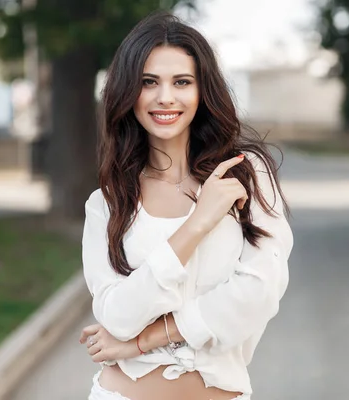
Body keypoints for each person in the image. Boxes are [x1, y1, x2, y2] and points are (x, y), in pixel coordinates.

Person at [79, 11, 294, 400]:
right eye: (149, 83)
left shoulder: (244, 175)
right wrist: (196, 225)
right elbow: (116, 316)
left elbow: (260, 291)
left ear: (202, 90)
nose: (165, 97)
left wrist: (141, 342)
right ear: (129, 93)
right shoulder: (108, 203)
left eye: (181, 82)